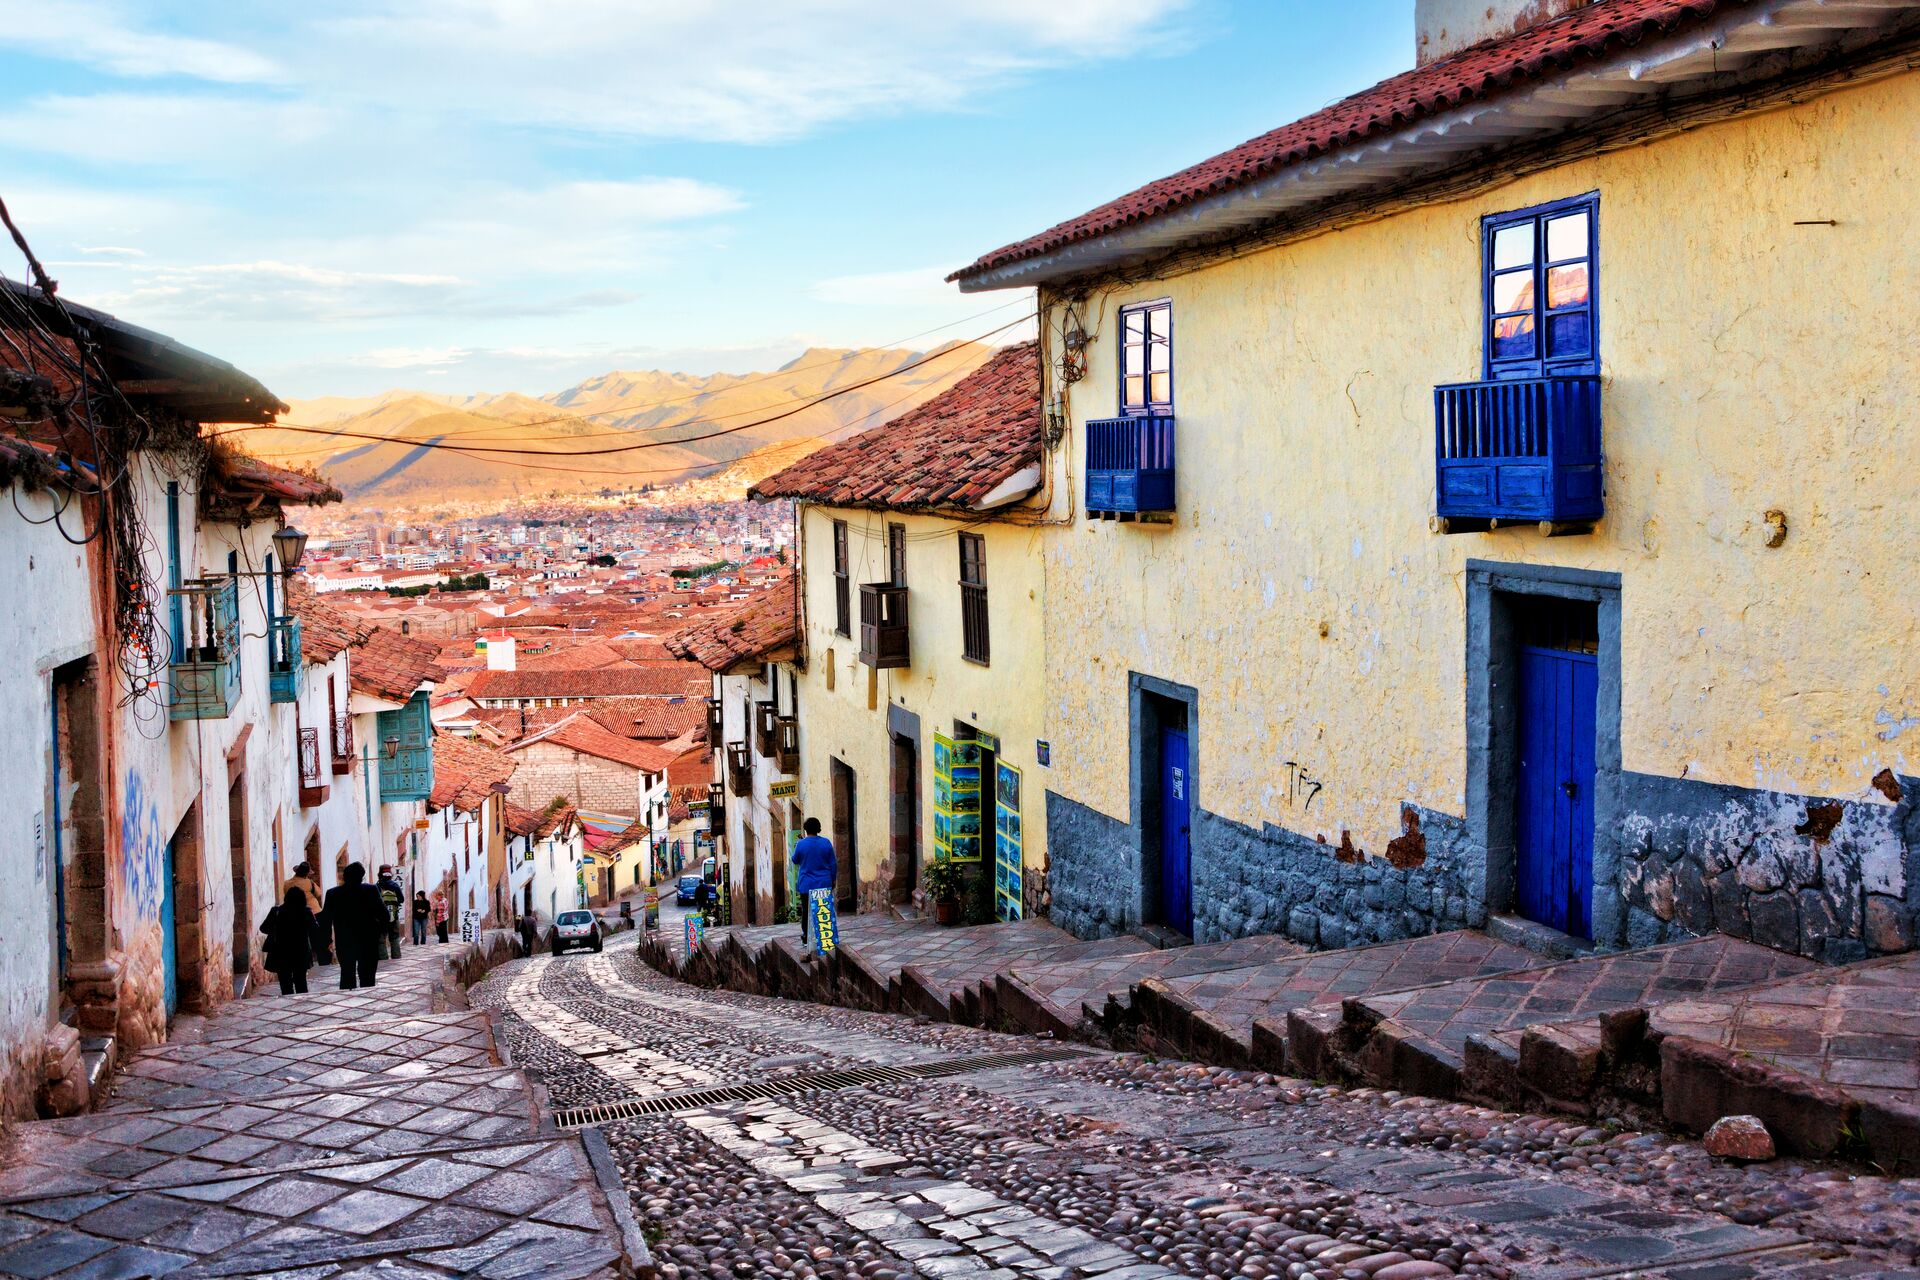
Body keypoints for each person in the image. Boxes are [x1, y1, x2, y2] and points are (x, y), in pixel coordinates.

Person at [319, 862, 389, 990]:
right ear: (361, 876)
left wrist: (327, 940)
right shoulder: (371, 890)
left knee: (347, 974)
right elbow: (384, 914)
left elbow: (325, 920)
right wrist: (380, 933)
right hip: (368, 939)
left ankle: (348, 1001)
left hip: (344, 940)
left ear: (344, 876)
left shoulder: (333, 894)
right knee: (368, 976)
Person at [793, 817, 838, 955]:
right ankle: (826, 939)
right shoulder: (826, 843)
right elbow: (833, 864)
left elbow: (795, 860)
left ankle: (807, 938)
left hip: (806, 884)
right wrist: (833, 879)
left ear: (806, 829)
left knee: (807, 911)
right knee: (824, 910)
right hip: (824, 883)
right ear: (818, 828)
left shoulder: (801, 844)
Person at [260, 885, 316, 995]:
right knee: (301, 982)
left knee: (285, 983)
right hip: (301, 951)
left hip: (281, 951)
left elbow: (264, 928)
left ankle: (288, 1001)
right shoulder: (306, 911)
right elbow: (314, 929)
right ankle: (302, 1004)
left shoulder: (276, 911)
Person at [286, 862, 330, 965]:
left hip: (294, 914)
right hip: (314, 911)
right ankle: (322, 961)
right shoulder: (309, 883)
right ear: (306, 874)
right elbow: (319, 893)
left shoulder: (287, 883)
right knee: (319, 938)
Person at [375, 866, 405, 959]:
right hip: (393, 915)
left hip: (381, 917)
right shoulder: (395, 885)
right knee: (395, 937)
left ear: (380, 874)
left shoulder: (377, 886)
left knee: (381, 938)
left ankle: (383, 958)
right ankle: (396, 956)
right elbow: (401, 899)